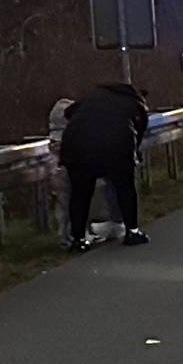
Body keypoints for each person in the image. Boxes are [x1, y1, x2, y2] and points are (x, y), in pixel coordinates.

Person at [57, 81, 151, 250]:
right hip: (115, 147)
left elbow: (68, 113)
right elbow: (141, 128)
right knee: (125, 187)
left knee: (80, 193)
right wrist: (134, 151)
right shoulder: (134, 102)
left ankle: (78, 239)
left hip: (76, 147)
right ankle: (132, 231)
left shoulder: (92, 97)